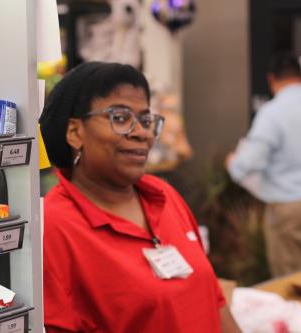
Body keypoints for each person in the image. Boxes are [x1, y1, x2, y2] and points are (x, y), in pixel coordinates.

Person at [40, 62, 241, 333]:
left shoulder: (164, 195)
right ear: (75, 132)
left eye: (146, 120)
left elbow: (213, 299)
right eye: (120, 118)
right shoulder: (54, 225)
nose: (141, 133)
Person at [226, 52, 301, 277]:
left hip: (292, 209)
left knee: (295, 285)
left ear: (271, 79)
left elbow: (248, 163)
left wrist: (234, 163)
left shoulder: (272, 113)